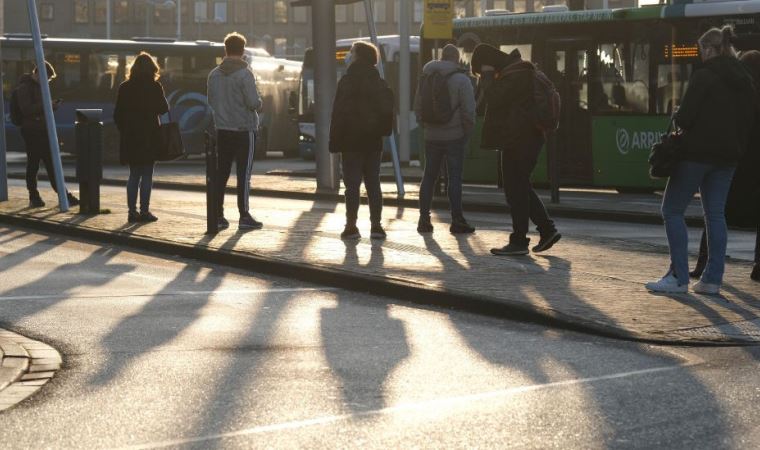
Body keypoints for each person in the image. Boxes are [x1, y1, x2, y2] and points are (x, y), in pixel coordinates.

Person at [646, 26, 755, 294]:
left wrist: (679, 112)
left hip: (696, 155)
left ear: (710, 49)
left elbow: (685, 120)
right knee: (715, 214)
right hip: (728, 157)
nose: (700, 55)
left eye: (701, 49)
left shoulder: (704, 76)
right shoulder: (745, 79)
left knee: (671, 210)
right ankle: (712, 280)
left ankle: (678, 277)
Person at [470, 44, 561, 256]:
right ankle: (547, 229)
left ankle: (520, 241)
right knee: (520, 188)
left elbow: (494, 98)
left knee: (516, 190)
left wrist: (487, 75)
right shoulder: (518, 71)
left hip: (520, 139)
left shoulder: (516, 75)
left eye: (481, 70)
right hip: (523, 138)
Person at [689, 50, 760, 283]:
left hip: (733, 163)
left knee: (715, 212)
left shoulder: (737, 94)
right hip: (754, 168)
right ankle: (758, 265)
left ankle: (704, 263)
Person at [329, 41, 394, 240]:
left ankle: (351, 226)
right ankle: (376, 226)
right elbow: (386, 111)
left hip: (350, 141)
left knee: (352, 185)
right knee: (373, 183)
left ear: (358, 56)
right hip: (373, 141)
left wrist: (335, 141)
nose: (348, 55)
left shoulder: (347, 81)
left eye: (351, 52)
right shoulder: (378, 81)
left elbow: (338, 113)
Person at [414, 44, 477, 234]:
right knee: (454, 178)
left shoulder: (427, 76)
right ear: (456, 59)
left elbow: (418, 107)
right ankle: (457, 220)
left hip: (431, 136)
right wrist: (466, 132)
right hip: (454, 135)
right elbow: (468, 111)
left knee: (429, 177)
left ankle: (424, 220)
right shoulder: (461, 79)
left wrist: (427, 126)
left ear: (442, 57)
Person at [207, 32, 263, 230]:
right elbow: (253, 102)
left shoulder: (214, 74)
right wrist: (259, 100)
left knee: (221, 173)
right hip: (244, 130)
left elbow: (211, 101)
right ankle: (244, 215)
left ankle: (218, 214)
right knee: (243, 174)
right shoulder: (245, 74)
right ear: (243, 50)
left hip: (222, 130)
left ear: (226, 50)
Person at [113, 52, 169, 223]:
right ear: (152, 69)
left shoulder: (125, 87)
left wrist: (126, 130)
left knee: (133, 175)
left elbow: (117, 115)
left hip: (131, 137)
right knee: (147, 175)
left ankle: (132, 212)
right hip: (150, 136)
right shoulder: (155, 86)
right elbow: (164, 108)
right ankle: (144, 212)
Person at [15, 61, 79, 208]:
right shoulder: (24, 87)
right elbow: (26, 109)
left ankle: (63, 195)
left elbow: (39, 108)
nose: (47, 81)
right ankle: (34, 195)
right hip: (31, 131)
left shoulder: (40, 86)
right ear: (37, 73)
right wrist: (47, 105)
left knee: (51, 163)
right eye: (46, 78)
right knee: (34, 164)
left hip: (43, 129)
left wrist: (52, 106)